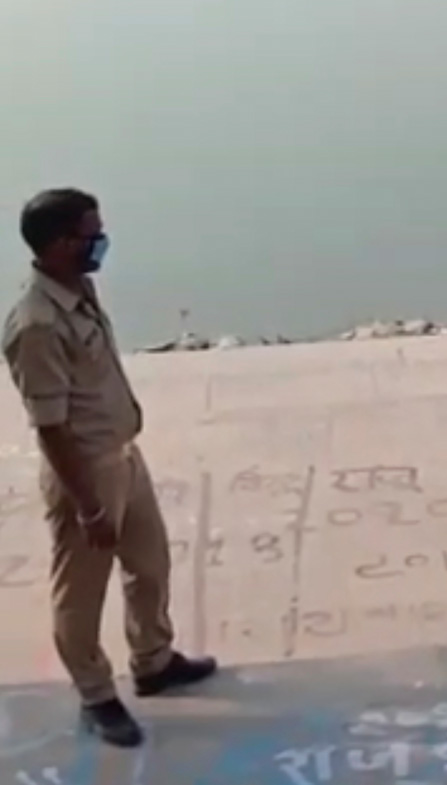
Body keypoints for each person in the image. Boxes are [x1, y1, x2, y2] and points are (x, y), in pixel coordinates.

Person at [2, 189, 218, 748]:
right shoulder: (37, 325)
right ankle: (97, 695)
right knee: (81, 594)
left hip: (123, 455)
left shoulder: (80, 290)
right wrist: (88, 505)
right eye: (90, 235)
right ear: (58, 245)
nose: (100, 243)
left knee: (150, 565)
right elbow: (50, 428)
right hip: (86, 472)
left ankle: (154, 661)